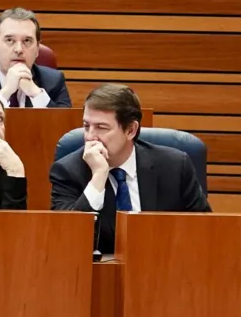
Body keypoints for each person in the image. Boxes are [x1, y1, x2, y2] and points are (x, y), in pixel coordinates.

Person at [50, 84, 210, 255]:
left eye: (101, 128)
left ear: (131, 130)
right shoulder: (67, 171)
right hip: (101, 277)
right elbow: (68, 240)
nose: (90, 136)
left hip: (165, 269)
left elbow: (204, 233)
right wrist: (98, 177)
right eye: (86, 126)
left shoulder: (175, 166)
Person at [0, 7, 71, 107]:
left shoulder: (54, 81)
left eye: (27, 41)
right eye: (10, 40)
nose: (19, 49)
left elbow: (65, 128)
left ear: (37, 49)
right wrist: (6, 92)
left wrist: (36, 94)